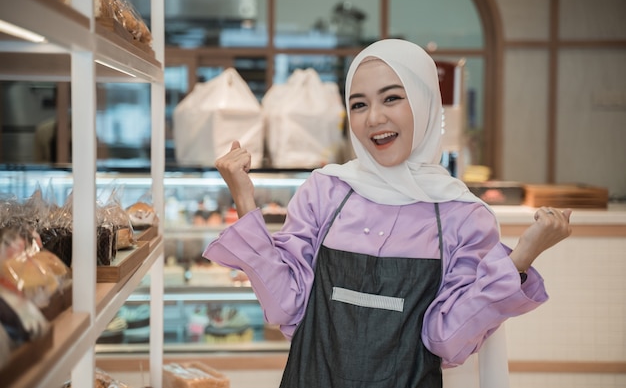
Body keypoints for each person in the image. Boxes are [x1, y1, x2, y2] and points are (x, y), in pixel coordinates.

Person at [203, 39, 572, 388]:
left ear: (426, 103)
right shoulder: (325, 193)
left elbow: (445, 339)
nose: (374, 117)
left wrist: (521, 258)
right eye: (359, 104)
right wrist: (244, 199)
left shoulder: (463, 216)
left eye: (392, 98)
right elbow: (287, 305)